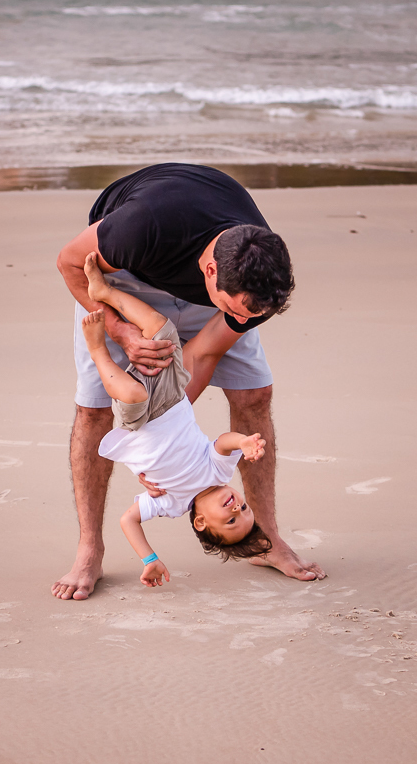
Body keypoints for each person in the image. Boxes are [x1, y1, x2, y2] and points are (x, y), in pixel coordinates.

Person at [53, 163, 325, 601]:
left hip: (209, 297)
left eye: (251, 315)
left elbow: (204, 353)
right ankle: (90, 549)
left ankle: (267, 539)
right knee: (95, 409)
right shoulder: (141, 227)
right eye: (237, 311)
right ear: (211, 271)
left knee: (255, 394)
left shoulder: (258, 288)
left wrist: (162, 440)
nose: (246, 319)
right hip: (125, 279)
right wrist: (120, 331)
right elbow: (68, 262)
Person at [76, 252, 270, 588]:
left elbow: (128, 520)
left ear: (200, 522)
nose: (236, 508)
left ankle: (98, 351)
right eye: (245, 510)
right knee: (163, 331)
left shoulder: (171, 503)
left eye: (230, 520)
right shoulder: (219, 472)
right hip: (172, 398)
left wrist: (149, 558)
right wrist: (244, 442)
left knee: (131, 394)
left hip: (140, 420)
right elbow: (223, 444)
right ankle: (105, 291)